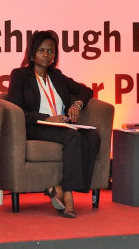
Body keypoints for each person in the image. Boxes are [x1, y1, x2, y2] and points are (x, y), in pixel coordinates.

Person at [7, 31, 100, 218]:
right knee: (73, 137)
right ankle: (68, 196)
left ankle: (60, 189)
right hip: (35, 125)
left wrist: (77, 104)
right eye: (41, 51)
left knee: (93, 136)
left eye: (50, 51)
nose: (46, 55)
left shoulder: (56, 75)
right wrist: (46, 118)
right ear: (32, 53)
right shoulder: (20, 75)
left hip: (61, 125)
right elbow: (16, 109)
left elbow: (86, 90)